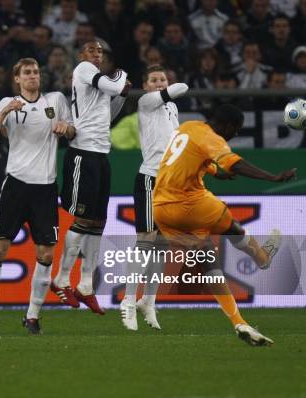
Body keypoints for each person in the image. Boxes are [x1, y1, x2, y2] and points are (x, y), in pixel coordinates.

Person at [153, 104, 297, 346]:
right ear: (228, 126)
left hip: (160, 209)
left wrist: (215, 173)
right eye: (237, 130)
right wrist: (272, 177)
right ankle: (262, 257)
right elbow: (235, 163)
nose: (236, 135)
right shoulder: (212, 138)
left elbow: (185, 157)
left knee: (208, 262)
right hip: (190, 204)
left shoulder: (187, 128)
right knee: (233, 228)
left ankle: (239, 322)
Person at [0, 58, 75, 335]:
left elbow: (73, 129)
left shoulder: (55, 100)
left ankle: (32, 316)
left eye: (35, 72)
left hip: (45, 187)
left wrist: (64, 128)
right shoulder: (7, 103)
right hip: (16, 185)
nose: (33, 76)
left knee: (45, 253)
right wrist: (5, 111)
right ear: (17, 79)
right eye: (26, 73)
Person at [51, 41, 131, 314]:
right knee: (83, 219)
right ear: (81, 55)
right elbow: (116, 83)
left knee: (98, 221)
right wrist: (121, 77)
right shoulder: (84, 70)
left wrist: (121, 96)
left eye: (100, 52)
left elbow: (108, 114)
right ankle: (61, 279)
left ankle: (86, 285)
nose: (97, 55)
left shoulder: (98, 84)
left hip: (100, 154)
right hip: (82, 154)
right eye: (92, 51)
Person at [120, 65, 188, 331]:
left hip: (171, 183)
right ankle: (127, 300)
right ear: (146, 85)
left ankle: (148, 300)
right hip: (150, 179)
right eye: (154, 80)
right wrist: (169, 87)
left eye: (163, 79)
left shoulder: (171, 108)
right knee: (145, 239)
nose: (160, 83)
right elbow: (182, 87)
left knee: (161, 244)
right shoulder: (147, 102)